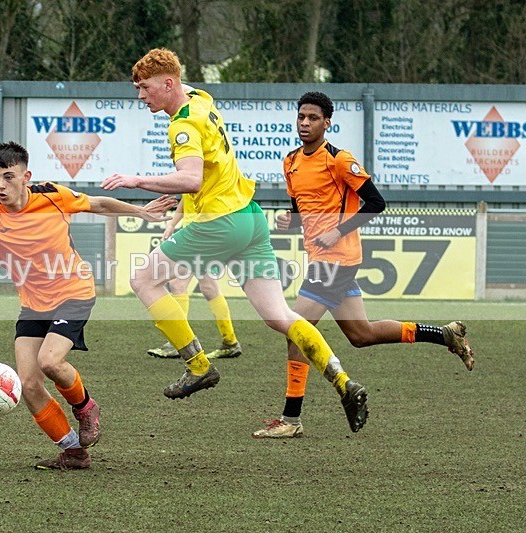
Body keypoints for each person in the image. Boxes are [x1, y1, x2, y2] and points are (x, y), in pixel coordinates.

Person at [101, 48, 369, 433]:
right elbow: (180, 81)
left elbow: (190, 180)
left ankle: (197, 366)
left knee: (143, 279)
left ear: (168, 84)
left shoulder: (182, 127)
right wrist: (162, 70)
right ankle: (345, 383)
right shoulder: (200, 100)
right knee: (281, 317)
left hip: (219, 223)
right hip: (250, 218)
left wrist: (135, 180)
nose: (140, 96)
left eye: (144, 88)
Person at [0, 141, 175, 469]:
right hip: (33, 305)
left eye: (8, 177)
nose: (1, 186)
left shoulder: (51, 196)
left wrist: (142, 211)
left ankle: (86, 409)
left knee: (49, 361)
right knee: (29, 384)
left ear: (26, 176)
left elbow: (97, 204)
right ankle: (74, 453)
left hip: (74, 292)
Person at [252, 91, 474, 438]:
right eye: (301, 117)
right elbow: (302, 211)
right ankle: (444, 334)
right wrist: (290, 223)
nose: (305, 123)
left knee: (296, 329)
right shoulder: (291, 161)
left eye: (313, 118)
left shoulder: (340, 160)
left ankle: (291, 419)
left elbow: (375, 203)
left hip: (337, 258)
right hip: (324, 257)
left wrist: (337, 231)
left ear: (327, 123)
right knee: (361, 334)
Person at [147, 195, 243, 360]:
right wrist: (172, 224)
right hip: (199, 232)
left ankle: (179, 343)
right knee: (208, 287)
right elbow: (187, 199)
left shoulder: (203, 174)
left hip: (201, 234)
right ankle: (230, 342)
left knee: (178, 283)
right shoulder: (197, 174)